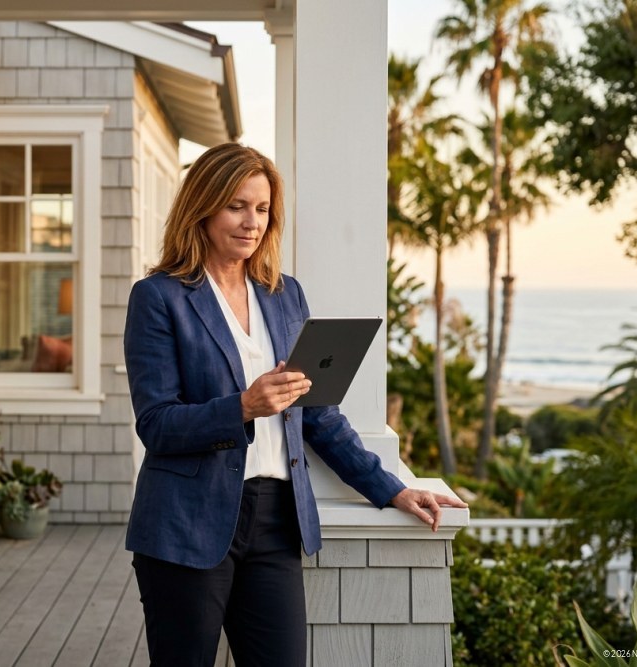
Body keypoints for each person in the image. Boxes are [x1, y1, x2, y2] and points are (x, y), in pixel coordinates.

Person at [123, 143, 467, 667]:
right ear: (203, 206)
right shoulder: (159, 297)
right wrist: (242, 406)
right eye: (237, 206)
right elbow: (157, 425)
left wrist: (392, 489)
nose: (252, 222)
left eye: (262, 209)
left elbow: (319, 414)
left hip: (275, 521)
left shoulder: (285, 295)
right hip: (185, 525)